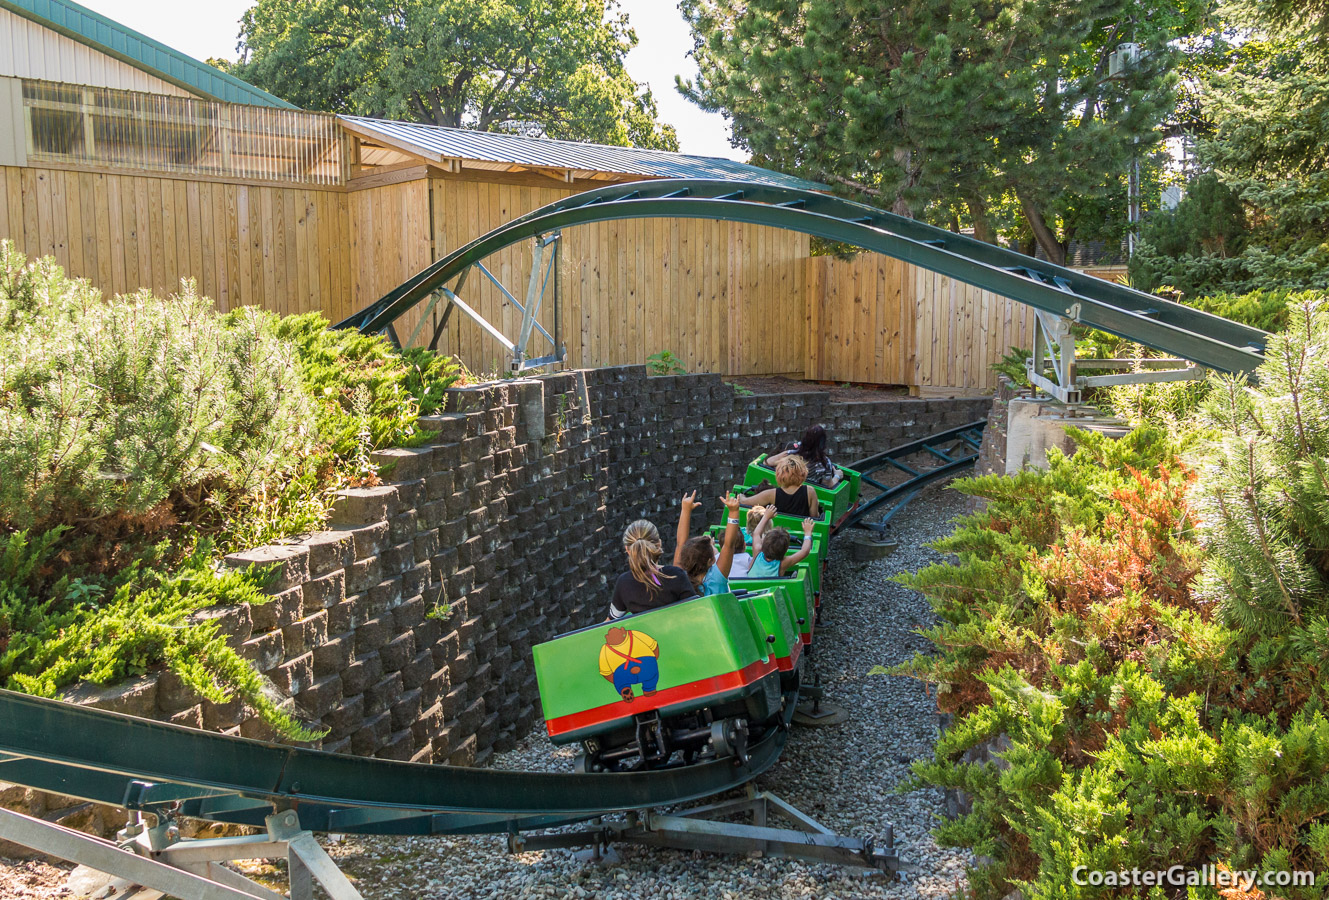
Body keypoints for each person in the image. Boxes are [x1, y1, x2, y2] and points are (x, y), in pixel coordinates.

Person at [608, 519, 697, 620]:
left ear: (628, 550)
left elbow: (610, 621)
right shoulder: (676, 574)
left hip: (645, 636)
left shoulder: (623, 583)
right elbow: (694, 612)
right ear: (659, 544)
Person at [674, 492, 743, 595]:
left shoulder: (680, 578)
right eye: (712, 547)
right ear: (710, 561)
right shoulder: (716, 579)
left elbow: (680, 543)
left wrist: (685, 510)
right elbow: (729, 545)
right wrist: (733, 512)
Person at [739, 455, 821, 519]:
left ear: (779, 475)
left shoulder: (771, 494)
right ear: (803, 473)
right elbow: (814, 517)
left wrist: (741, 496)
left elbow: (745, 502)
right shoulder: (810, 491)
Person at [745, 505, 816, 577]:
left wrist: (766, 516)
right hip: (770, 588)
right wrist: (808, 533)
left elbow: (756, 533)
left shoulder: (757, 552)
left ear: (763, 543)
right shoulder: (782, 564)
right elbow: (805, 551)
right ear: (785, 550)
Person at [768, 424, 842, 487]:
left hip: (787, 485)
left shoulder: (790, 453)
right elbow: (827, 485)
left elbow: (767, 462)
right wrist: (837, 476)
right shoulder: (825, 463)